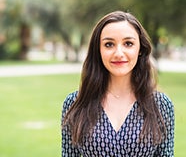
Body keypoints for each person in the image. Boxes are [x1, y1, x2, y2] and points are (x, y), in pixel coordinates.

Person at [61, 10, 174, 157]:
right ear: (98, 50)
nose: (119, 53)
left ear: (140, 49)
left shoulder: (160, 105)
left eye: (128, 43)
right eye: (109, 44)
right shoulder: (75, 103)